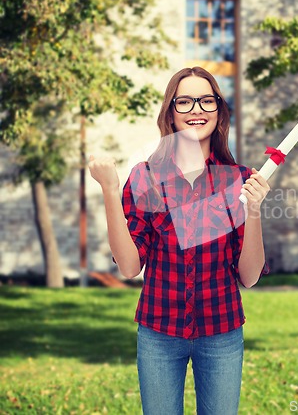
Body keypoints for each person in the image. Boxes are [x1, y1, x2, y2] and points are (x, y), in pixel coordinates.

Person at [88, 67, 270, 415]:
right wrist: (110, 190)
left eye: (206, 100)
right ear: (170, 115)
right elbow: (128, 267)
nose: (196, 109)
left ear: (219, 113)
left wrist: (256, 210)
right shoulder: (145, 176)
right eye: (184, 101)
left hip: (221, 331)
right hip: (159, 331)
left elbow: (249, 275)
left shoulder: (240, 180)